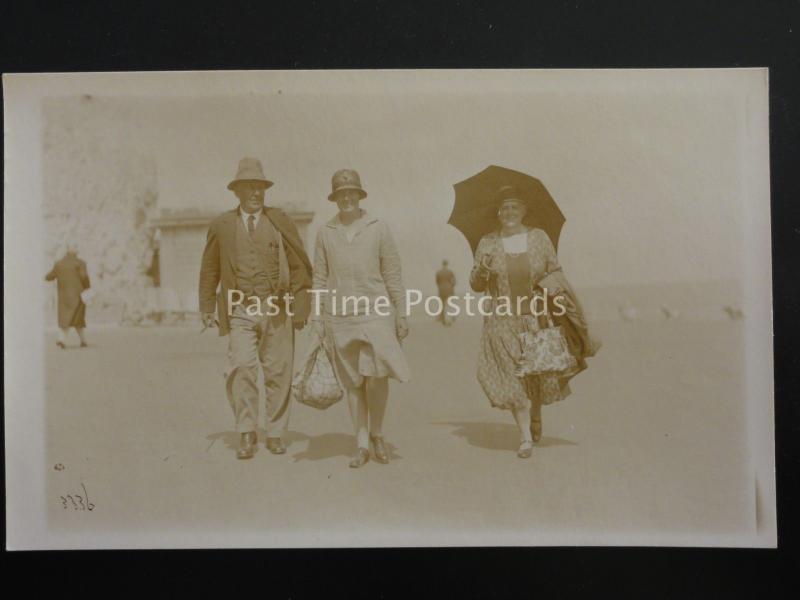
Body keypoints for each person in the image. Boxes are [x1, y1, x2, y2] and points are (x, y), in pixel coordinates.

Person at [470, 185, 598, 459]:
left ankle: (536, 414)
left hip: (536, 316)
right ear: (498, 212)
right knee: (513, 376)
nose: (509, 212)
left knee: (536, 375)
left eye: (515, 207)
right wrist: (482, 270)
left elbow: (555, 270)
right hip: (500, 318)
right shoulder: (487, 242)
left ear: (524, 211)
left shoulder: (539, 238)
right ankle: (525, 437)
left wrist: (555, 293)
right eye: (504, 208)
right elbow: (476, 284)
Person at [199, 157, 312, 460]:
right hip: (240, 311)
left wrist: (301, 306)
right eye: (249, 187)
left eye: (259, 187)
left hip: (278, 308)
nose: (255, 193)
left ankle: (275, 433)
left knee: (279, 371)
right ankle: (247, 432)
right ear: (236, 191)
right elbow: (209, 268)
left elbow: (301, 266)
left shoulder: (280, 221)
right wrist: (207, 305)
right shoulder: (222, 225)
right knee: (242, 369)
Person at [311, 169, 410, 468]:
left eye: (351, 192)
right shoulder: (325, 232)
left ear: (360, 195)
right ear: (335, 198)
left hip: (376, 312)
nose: (347, 198)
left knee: (377, 375)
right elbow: (319, 277)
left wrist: (401, 312)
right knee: (353, 382)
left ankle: (377, 434)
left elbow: (392, 273)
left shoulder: (378, 228)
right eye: (341, 194)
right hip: (341, 315)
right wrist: (318, 317)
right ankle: (361, 443)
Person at [45, 243, 90, 349]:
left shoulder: (59, 263)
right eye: (76, 246)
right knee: (78, 319)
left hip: (64, 297)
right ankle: (69, 340)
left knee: (66, 318)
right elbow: (84, 277)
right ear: (73, 249)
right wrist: (88, 288)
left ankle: (71, 340)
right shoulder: (81, 263)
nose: (78, 248)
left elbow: (49, 276)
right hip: (79, 296)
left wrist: (47, 276)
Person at [435, 259, 456, 325]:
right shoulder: (450, 272)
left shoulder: (438, 272)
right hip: (449, 290)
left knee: (442, 305)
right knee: (449, 305)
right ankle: (450, 318)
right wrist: (452, 286)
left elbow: (437, 282)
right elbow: (454, 281)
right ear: (447, 264)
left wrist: (440, 286)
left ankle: (442, 318)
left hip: (441, 290)